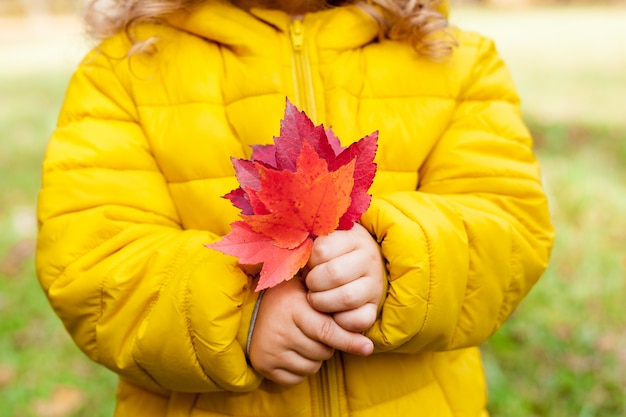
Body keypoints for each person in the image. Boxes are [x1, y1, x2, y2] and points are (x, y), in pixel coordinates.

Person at [35, 0, 554, 415]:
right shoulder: (126, 69)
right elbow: (90, 259)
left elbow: (508, 224)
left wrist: (395, 262)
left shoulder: (455, 59)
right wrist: (240, 315)